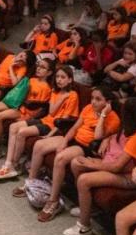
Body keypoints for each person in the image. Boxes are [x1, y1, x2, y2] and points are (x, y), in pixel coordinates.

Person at [13, 87, 121, 217]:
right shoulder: (88, 108)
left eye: (98, 99)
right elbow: (75, 127)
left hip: (86, 147)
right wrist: (64, 141)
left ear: (108, 102)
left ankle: (53, 201)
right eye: (92, 98)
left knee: (60, 158)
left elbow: (98, 136)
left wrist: (103, 114)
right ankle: (32, 183)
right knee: (39, 145)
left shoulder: (113, 118)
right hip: (74, 139)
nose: (93, 102)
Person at [62, 98, 136, 235]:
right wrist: (106, 139)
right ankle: (88, 207)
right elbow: (114, 137)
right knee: (76, 163)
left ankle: (84, 227)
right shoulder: (126, 128)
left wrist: (94, 164)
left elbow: (117, 167)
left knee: (84, 180)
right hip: (116, 166)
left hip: (130, 176)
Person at [0, 57, 54, 165]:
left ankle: (13, 159)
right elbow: (19, 93)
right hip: (20, 108)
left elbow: (41, 109)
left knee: (14, 127)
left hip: (29, 114)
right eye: (38, 66)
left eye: (43, 68)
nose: (38, 69)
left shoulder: (47, 88)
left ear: (49, 72)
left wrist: (30, 119)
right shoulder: (31, 80)